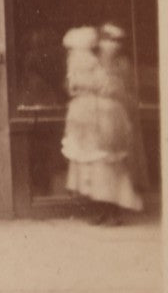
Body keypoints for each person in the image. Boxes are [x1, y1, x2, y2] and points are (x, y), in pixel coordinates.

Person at [60, 25, 144, 225]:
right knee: (98, 166)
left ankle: (113, 212)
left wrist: (87, 87)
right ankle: (105, 210)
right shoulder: (90, 64)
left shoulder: (110, 66)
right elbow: (75, 87)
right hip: (93, 119)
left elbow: (110, 87)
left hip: (106, 118)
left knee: (109, 165)